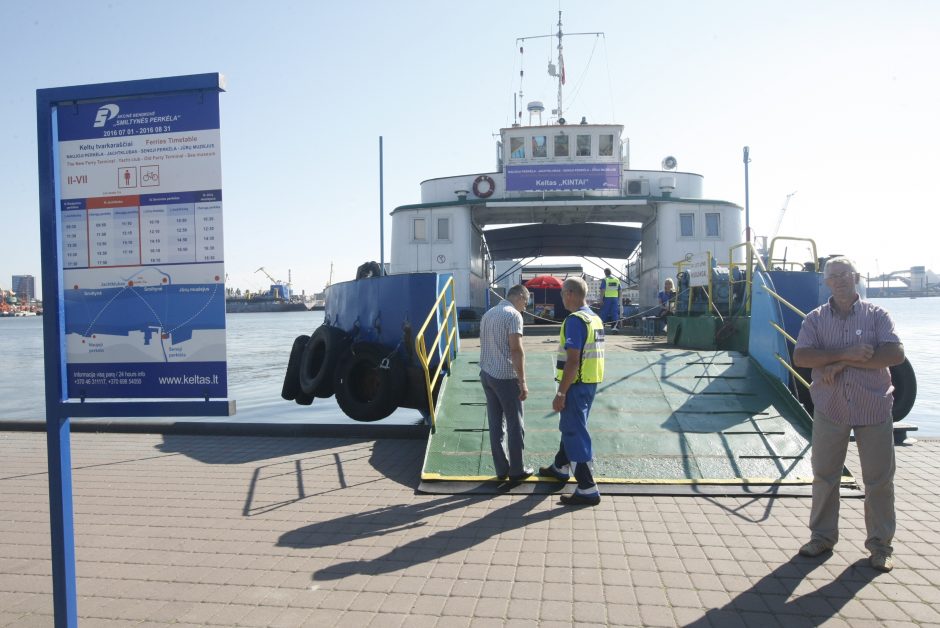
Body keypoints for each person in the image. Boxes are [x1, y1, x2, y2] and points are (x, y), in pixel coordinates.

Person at [793, 256, 904, 572]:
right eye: (832, 276)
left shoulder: (877, 315)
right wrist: (846, 353)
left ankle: (880, 546)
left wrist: (842, 364)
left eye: (844, 274)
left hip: (873, 406)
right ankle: (822, 538)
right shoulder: (815, 319)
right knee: (825, 477)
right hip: (831, 407)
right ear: (825, 282)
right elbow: (801, 356)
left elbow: (895, 353)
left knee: (879, 480)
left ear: (855, 277)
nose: (839, 280)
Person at [538, 277, 605, 505]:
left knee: (574, 432)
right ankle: (560, 467)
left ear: (569, 293)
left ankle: (587, 488)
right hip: (590, 383)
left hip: (575, 385)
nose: (562, 298)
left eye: (562, 293)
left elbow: (573, 361)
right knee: (571, 425)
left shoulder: (575, 320)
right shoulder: (594, 319)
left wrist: (561, 393)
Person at [479, 284, 533, 482]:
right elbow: (516, 350)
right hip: (505, 377)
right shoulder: (513, 315)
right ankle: (517, 470)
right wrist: (523, 381)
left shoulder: (489, 313)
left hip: (486, 374)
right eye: (525, 302)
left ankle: (501, 469)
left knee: (495, 425)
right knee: (515, 424)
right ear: (519, 296)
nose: (525, 307)